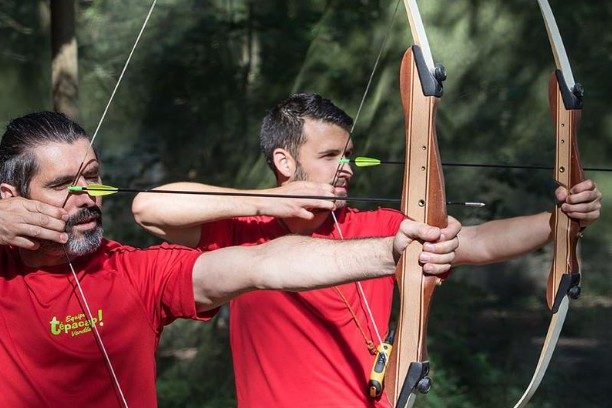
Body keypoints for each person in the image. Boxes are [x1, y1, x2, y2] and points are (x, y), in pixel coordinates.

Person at [0, 111, 461, 407]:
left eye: (92, 177)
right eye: (64, 186)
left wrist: (388, 250)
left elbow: (265, 264)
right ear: (11, 197)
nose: (88, 196)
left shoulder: (137, 271)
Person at [131, 93, 603, 408]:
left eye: (349, 155)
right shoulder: (240, 230)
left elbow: (474, 242)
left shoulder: (378, 227)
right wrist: (264, 200)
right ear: (284, 160)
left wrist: (558, 222)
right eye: (330, 155)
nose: (346, 167)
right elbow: (148, 208)